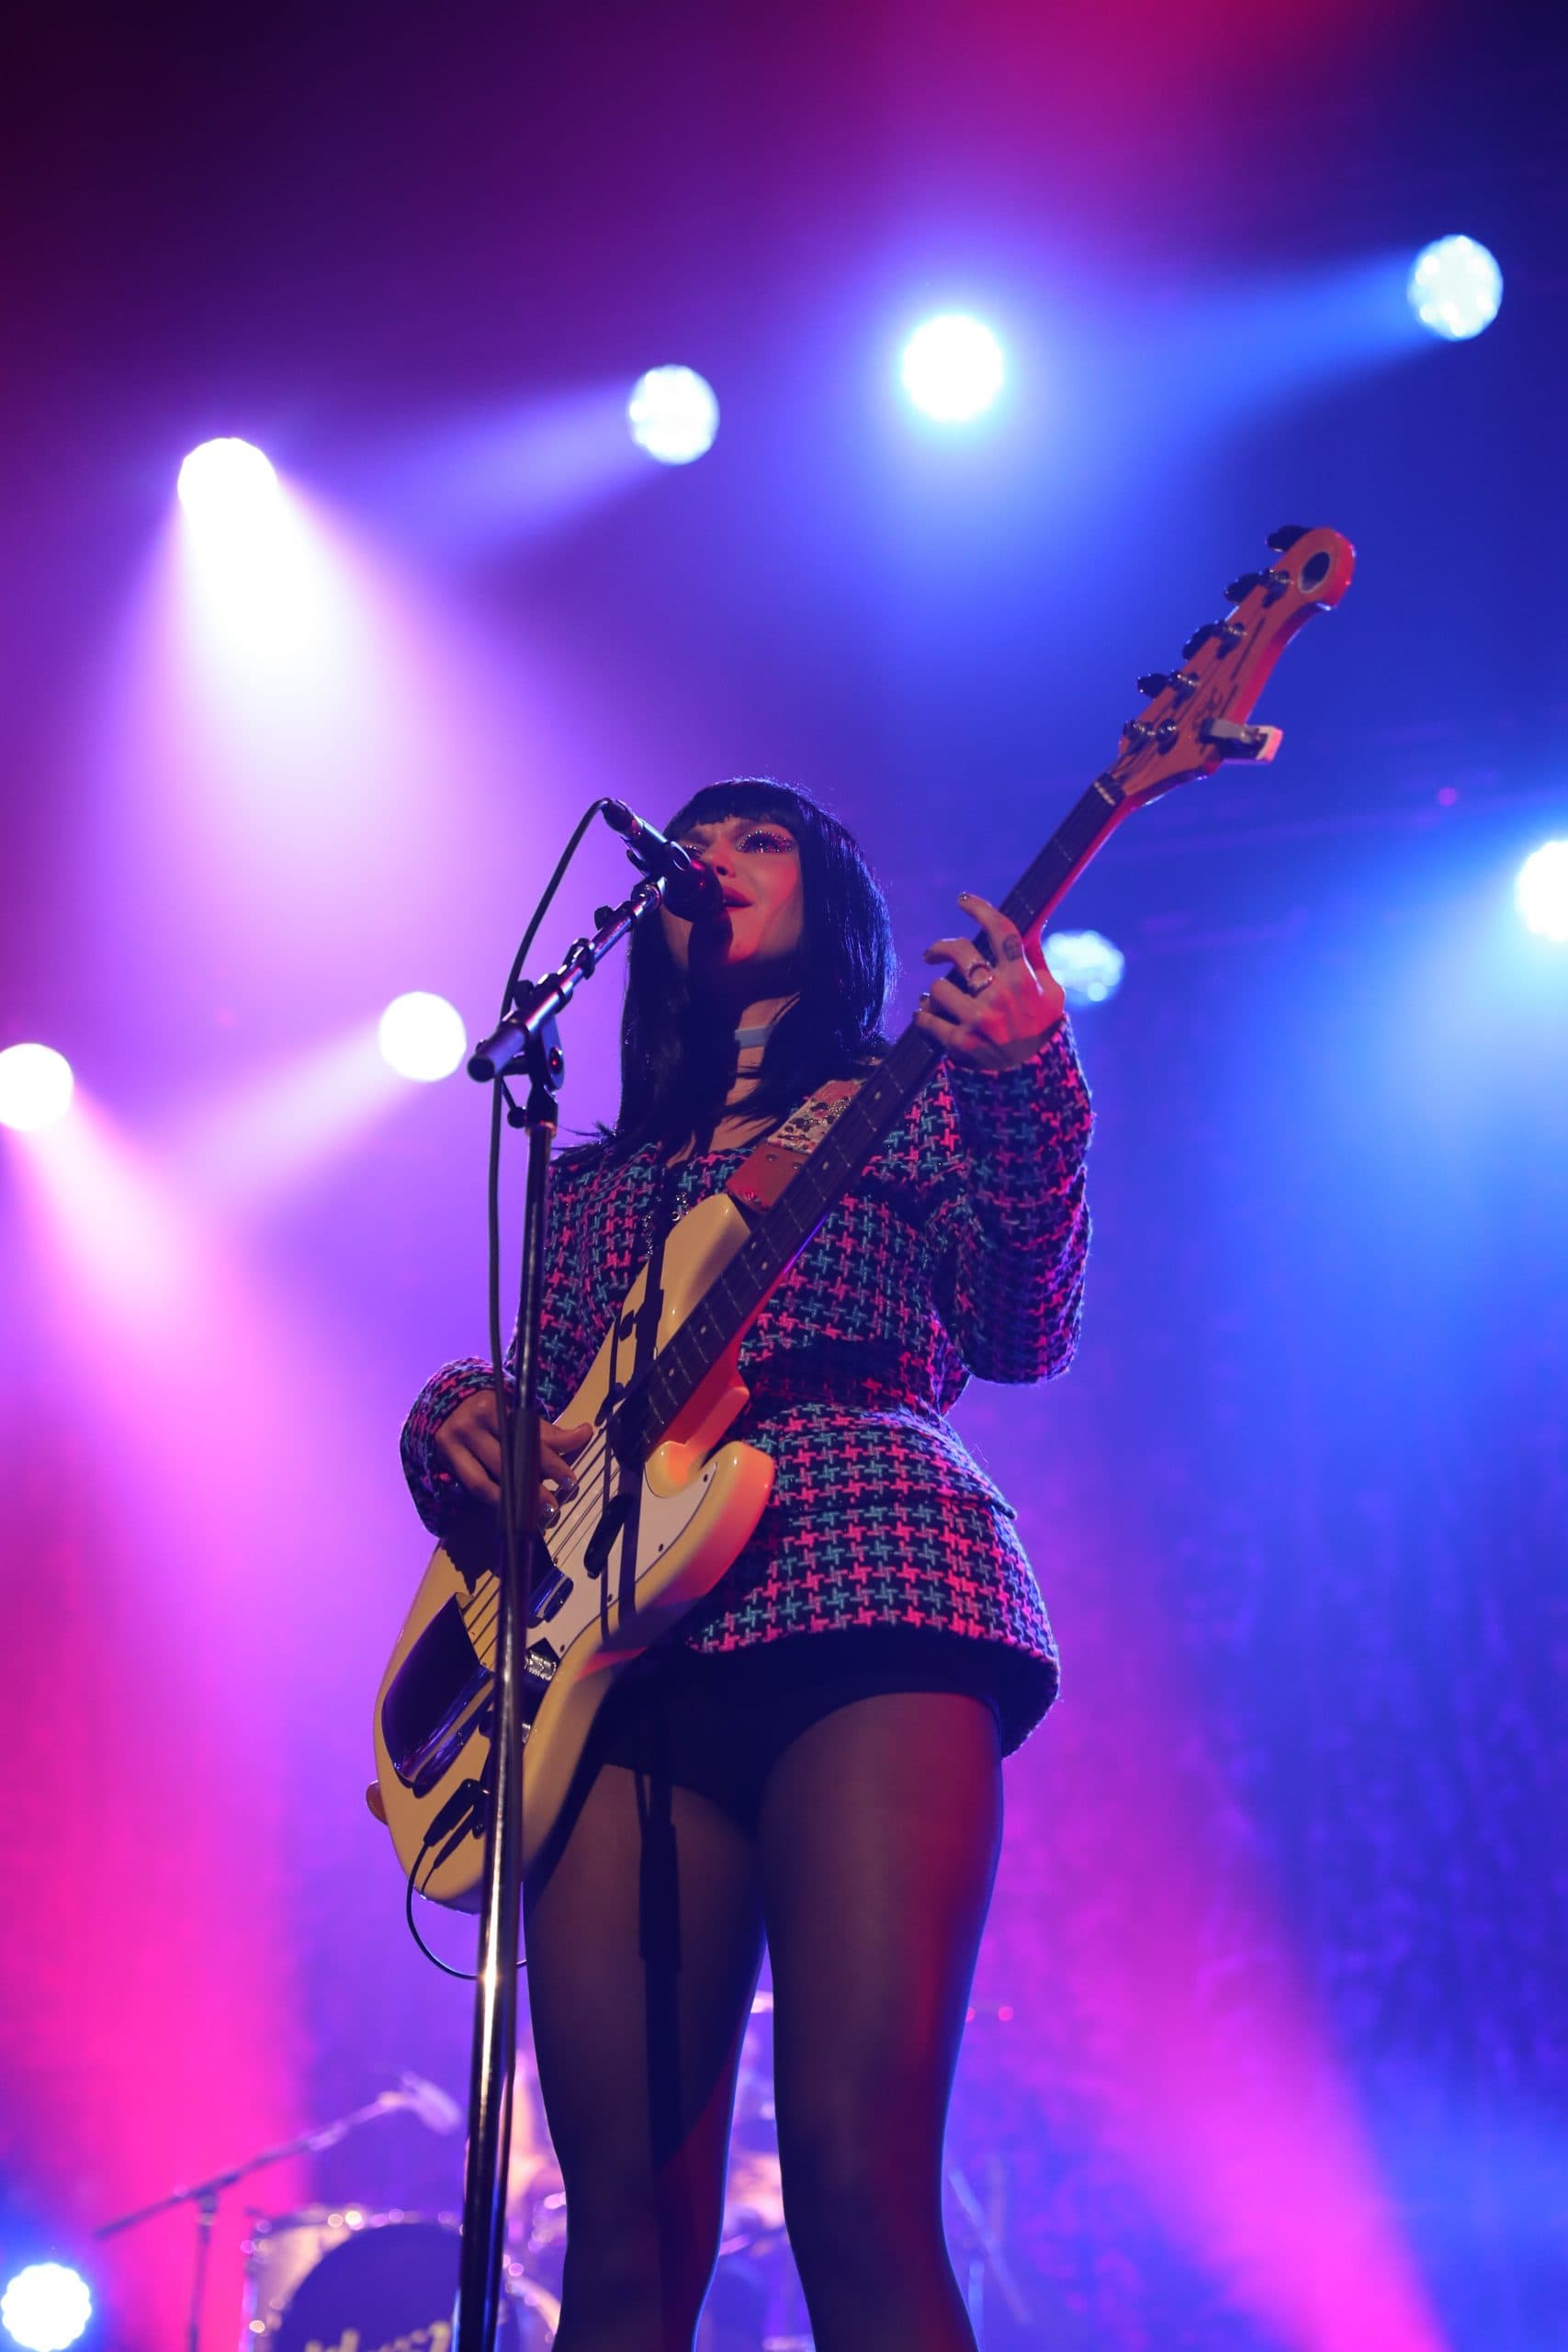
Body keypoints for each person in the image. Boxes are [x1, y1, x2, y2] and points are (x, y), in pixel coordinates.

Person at [400, 779, 1092, 2352]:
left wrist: (1030, 1080)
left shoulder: (905, 1095)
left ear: (828, 898)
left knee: (857, 2186)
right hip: (616, 1661)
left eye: (759, 839)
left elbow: (1022, 1328)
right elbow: (544, 1436)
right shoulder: (583, 1185)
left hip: (863, 1569)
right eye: (697, 842)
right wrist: (453, 1421)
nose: (712, 860)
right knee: (621, 2248)